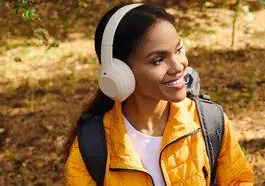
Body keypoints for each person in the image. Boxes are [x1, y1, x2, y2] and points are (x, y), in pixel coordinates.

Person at [63, 3, 254, 186]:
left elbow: (239, 181)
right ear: (119, 73)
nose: (179, 66)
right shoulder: (92, 145)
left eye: (178, 50)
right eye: (158, 60)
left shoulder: (210, 122)